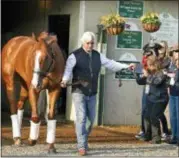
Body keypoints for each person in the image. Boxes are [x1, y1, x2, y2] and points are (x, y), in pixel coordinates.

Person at [60, 31, 135, 156]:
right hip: (79, 91)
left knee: (90, 120)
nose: (90, 45)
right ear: (83, 43)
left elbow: (111, 64)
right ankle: (82, 146)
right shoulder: (74, 55)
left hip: (92, 92)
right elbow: (68, 70)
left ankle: (83, 137)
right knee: (82, 118)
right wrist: (64, 80)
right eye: (88, 43)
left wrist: (126, 66)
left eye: (92, 43)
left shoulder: (98, 55)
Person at [136, 54, 169, 144]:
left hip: (161, 99)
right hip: (151, 98)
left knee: (154, 116)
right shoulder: (150, 73)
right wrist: (136, 73)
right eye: (148, 65)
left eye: (150, 65)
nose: (149, 67)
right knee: (146, 116)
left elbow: (156, 82)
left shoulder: (162, 72)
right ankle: (148, 135)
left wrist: (147, 76)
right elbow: (139, 82)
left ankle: (156, 138)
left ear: (155, 64)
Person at [167, 44, 179, 145]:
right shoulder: (172, 65)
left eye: (178, 51)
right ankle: (174, 136)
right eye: (175, 52)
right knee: (173, 116)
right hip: (172, 93)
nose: (176, 54)